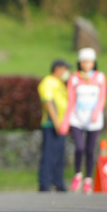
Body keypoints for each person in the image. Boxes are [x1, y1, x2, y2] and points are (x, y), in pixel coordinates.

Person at [62, 47, 106, 194]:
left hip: (93, 119)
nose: (86, 64)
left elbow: (102, 98)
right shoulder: (74, 78)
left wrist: (96, 111)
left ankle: (88, 179)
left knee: (90, 149)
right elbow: (71, 99)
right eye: (84, 62)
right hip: (77, 118)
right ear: (80, 63)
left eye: (89, 62)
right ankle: (77, 174)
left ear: (93, 63)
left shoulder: (100, 77)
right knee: (79, 147)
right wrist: (66, 120)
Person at [37, 59, 71, 192]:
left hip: (61, 125)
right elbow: (48, 102)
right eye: (64, 69)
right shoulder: (48, 82)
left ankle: (58, 182)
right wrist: (56, 121)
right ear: (57, 68)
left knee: (59, 154)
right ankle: (45, 183)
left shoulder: (59, 83)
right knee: (49, 154)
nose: (66, 72)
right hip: (51, 124)